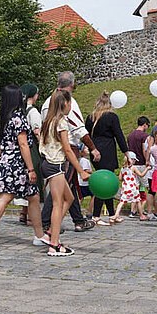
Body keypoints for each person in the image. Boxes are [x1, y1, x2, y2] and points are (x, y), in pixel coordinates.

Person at [0, 86, 47, 252]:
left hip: (7, 162)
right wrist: (31, 169)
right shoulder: (18, 117)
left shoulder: (5, 117)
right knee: (5, 198)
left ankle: (39, 235)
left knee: (33, 196)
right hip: (17, 165)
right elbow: (23, 144)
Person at [40, 72, 99, 232]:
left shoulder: (47, 102)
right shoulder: (66, 102)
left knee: (69, 187)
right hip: (63, 153)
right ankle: (47, 224)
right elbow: (78, 129)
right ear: (72, 85)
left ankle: (78, 220)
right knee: (58, 190)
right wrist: (92, 148)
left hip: (50, 152)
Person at [37, 90, 88, 256]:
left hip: (47, 163)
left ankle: (53, 229)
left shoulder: (48, 120)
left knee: (70, 198)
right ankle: (54, 245)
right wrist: (81, 171)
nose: (71, 106)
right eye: (70, 103)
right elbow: (67, 148)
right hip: (55, 165)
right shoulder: (61, 122)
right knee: (58, 204)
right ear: (64, 104)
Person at [86, 92, 129, 219]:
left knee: (106, 180)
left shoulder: (90, 117)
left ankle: (111, 214)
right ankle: (96, 215)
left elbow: (85, 134)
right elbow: (119, 135)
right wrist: (126, 152)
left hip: (94, 149)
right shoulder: (111, 117)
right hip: (107, 150)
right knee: (105, 183)